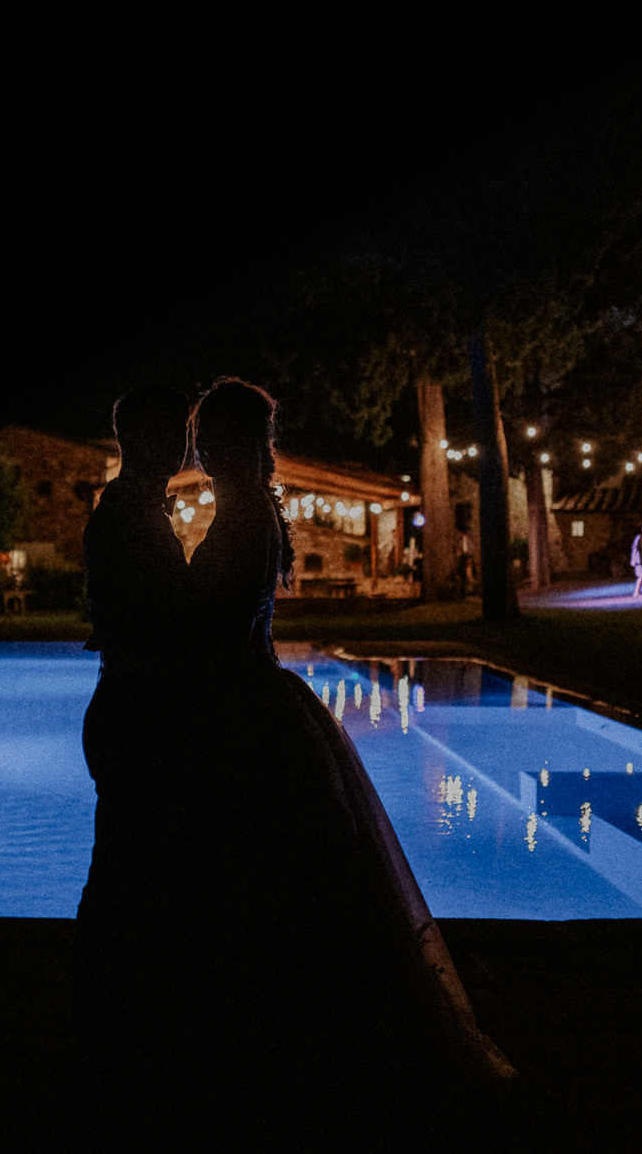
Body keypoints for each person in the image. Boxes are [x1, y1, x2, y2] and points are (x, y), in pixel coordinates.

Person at [163, 377, 514, 1137]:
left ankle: (307, 1049)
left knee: (274, 878)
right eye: (204, 438)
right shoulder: (245, 512)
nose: (204, 450)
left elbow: (210, 623)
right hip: (252, 703)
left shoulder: (245, 518)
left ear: (234, 443)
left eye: (211, 437)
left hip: (245, 714)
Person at [72, 384, 196, 1119]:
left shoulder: (136, 511)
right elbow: (151, 621)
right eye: (175, 434)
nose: (183, 449)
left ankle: (122, 1015)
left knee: (133, 861)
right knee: (123, 863)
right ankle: (107, 1027)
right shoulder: (126, 516)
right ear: (141, 439)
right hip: (135, 706)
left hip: (133, 701)